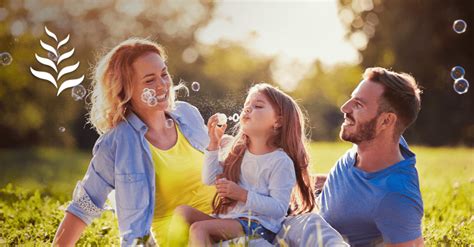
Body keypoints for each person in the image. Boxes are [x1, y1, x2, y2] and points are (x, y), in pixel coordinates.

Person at [52, 38, 215, 246]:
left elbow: (217, 162)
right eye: (149, 80)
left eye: (164, 74)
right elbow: (85, 205)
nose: (162, 84)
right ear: (125, 90)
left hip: (229, 224)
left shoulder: (186, 114)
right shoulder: (117, 142)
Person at [171, 83, 314, 246]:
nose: (247, 109)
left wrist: (242, 194)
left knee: (199, 229)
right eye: (246, 106)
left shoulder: (280, 161)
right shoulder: (238, 151)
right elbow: (209, 179)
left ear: (278, 122)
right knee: (182, 213)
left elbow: (279, 207)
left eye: (257, 106)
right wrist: (213, 144)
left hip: (258, 227)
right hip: (229, 220)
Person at [318, 67, 424, 246]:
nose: (345, 108)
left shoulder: (396, 196)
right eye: (351, 99)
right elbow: (351, 187)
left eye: (358, 104)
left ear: (386, 121)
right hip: (302, 206)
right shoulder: (380, 142)